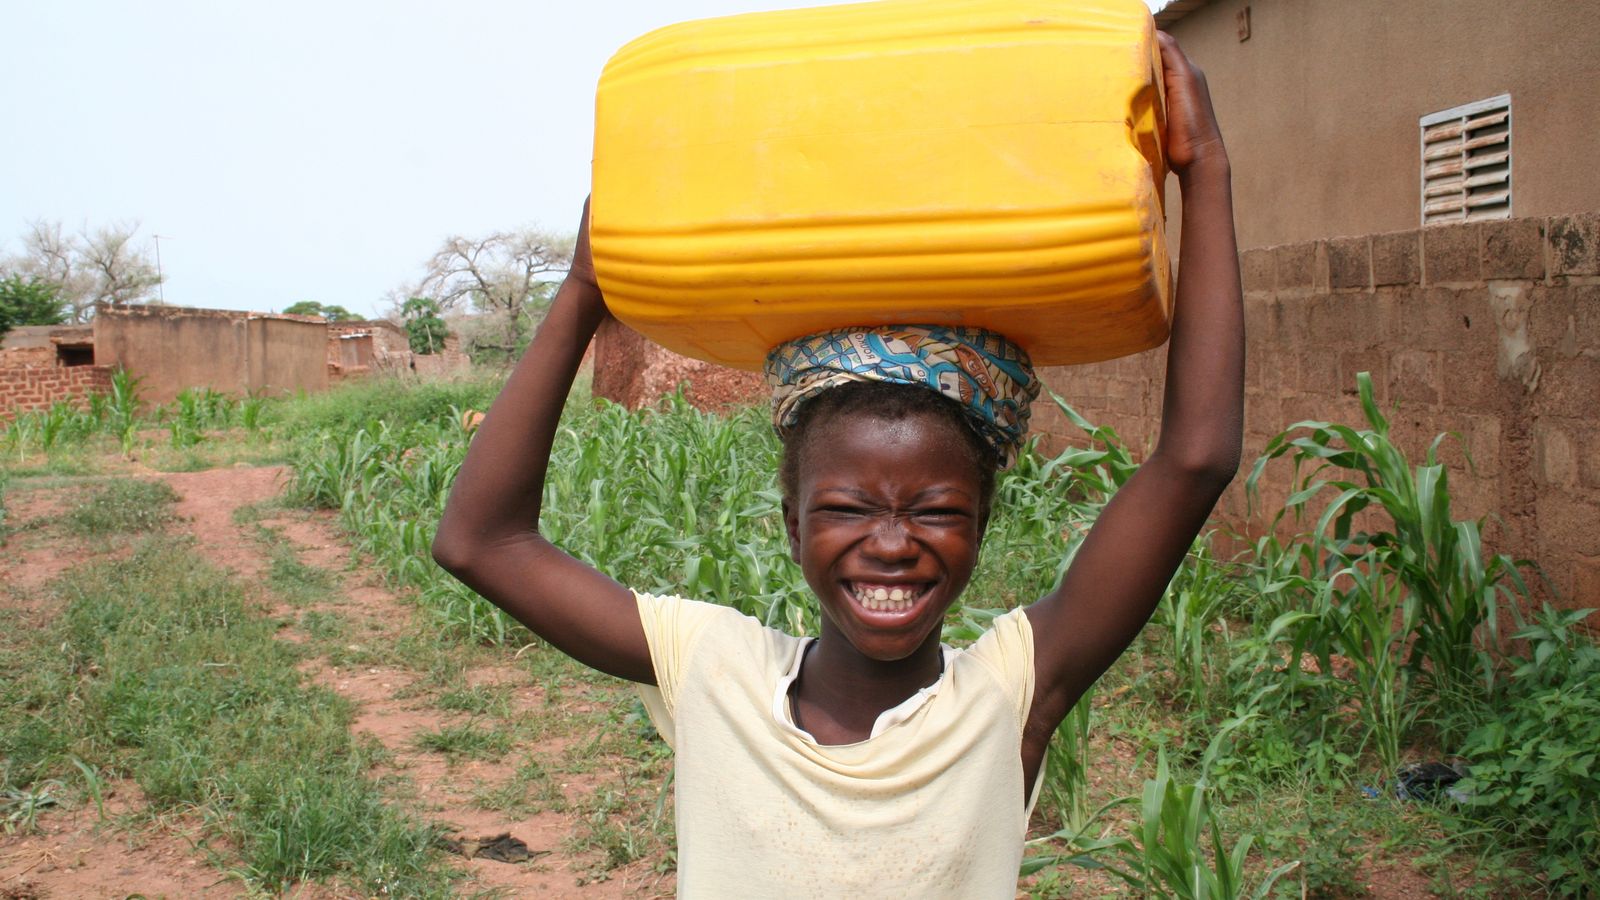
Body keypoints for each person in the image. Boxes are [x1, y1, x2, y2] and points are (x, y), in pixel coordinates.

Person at [431, 32, 1241, 899]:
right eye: (850, 508)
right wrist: (584, 290)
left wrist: (1208, 173)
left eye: (934, 510)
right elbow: (482, 543)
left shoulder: (1006, 696)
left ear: (983, 525)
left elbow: (1194, 461)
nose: (892, 544)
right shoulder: (715, 671)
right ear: (791, 522)